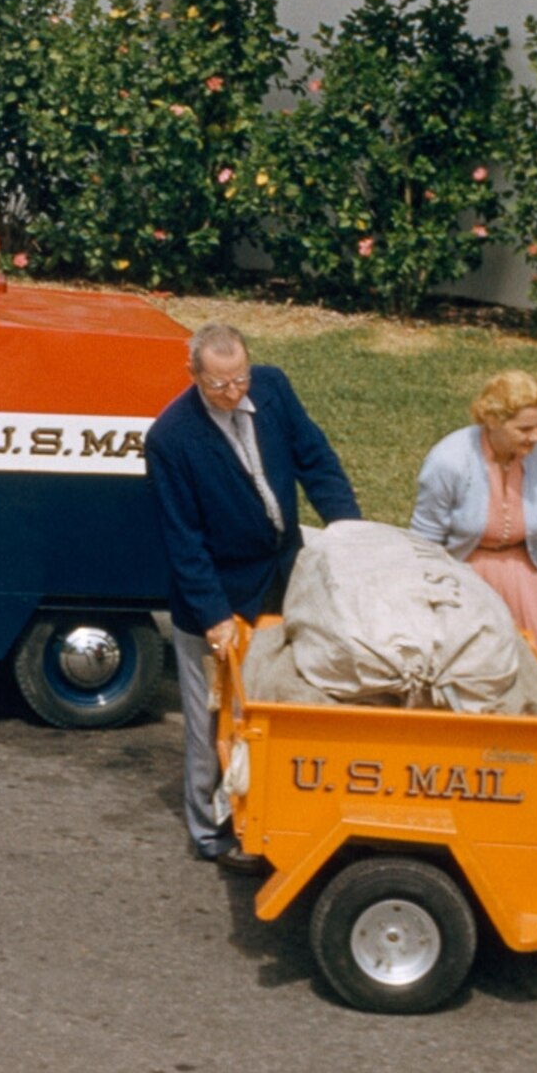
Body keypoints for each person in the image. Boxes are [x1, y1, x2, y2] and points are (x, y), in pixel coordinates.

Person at [148, 321, 362, 869]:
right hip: (216, 592)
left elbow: (316, 461)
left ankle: (274, 814)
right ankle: (210, 828)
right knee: (211, 716)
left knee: (278, 704)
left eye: (239, 377)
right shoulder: (171, 439)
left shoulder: (273, 387)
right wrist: (215, 616)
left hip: (280, 573)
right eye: (219, 384)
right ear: (192, 374)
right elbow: (183, 540)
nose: (234, 391)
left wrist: (351, 533)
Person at [411, 368, 537, 670]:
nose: (536, 437)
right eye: (524, 429)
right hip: (464, 569)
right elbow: (424, 543)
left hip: (525, 569)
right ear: (493, 421)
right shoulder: (448, 461)